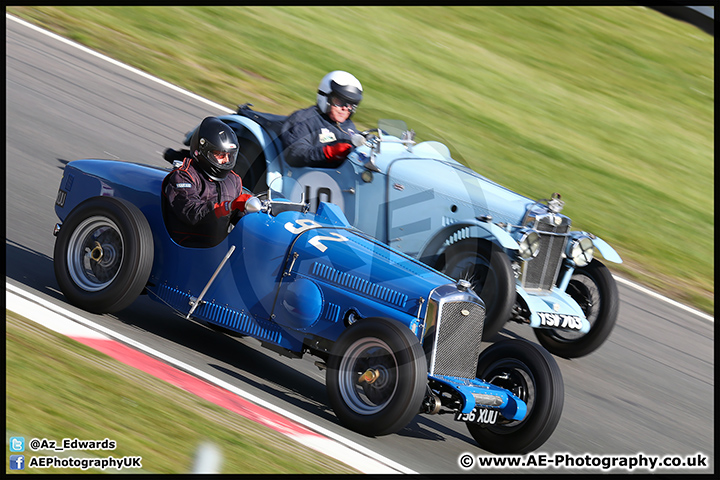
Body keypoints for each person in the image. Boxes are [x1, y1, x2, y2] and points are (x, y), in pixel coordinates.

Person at [163, 116, 252, 247]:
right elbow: (191, 212)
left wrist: (253, 212)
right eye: (220, 155)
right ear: (202, 151)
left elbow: (241, 219)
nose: (226, 160)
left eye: (230, 155)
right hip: (189, 245)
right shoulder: (184, 176)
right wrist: (228, 206)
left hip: (219, 249)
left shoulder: (234, 180)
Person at [280, 70, 363, 168]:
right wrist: (328, 152)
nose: (345, 108)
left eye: (350, 104)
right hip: (309, 177)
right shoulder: (304, 120)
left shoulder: (348, 125)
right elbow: (293, 154)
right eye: (339, 101)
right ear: (326, 97)